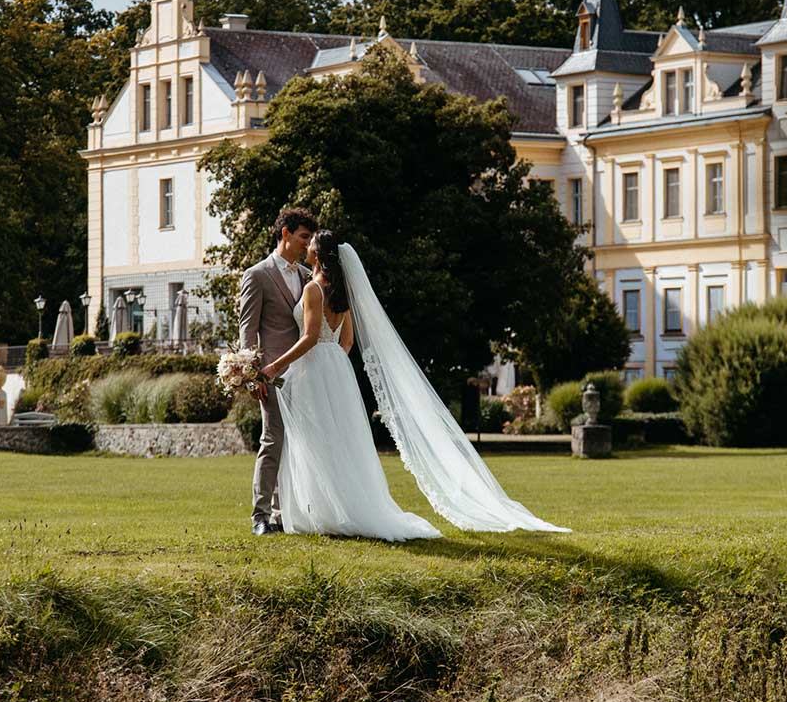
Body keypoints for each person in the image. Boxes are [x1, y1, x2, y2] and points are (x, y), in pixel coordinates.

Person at [255, 231, 568, 539]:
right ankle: (340, 508)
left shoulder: (313, 289)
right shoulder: (342, 293)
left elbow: (309, 337)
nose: (307, 246)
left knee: (316, 441)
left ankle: (322, 512)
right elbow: (347, 341)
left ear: (319, 254)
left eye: (311, 243)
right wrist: (332, 362)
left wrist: (275, 366)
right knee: (339, 442)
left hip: (314, 369)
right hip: (337, 368)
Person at [236, 206, 316, 535]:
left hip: (306, 373)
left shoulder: (307, 278)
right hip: (272, 374)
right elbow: (247, 330)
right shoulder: (257, 275)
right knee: (273, 440)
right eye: (303, 237)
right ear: (285, 234)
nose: (307, 245)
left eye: (310, 239)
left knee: (298, 443)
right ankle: (260, 515)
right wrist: (252, 375)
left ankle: (286, 514)